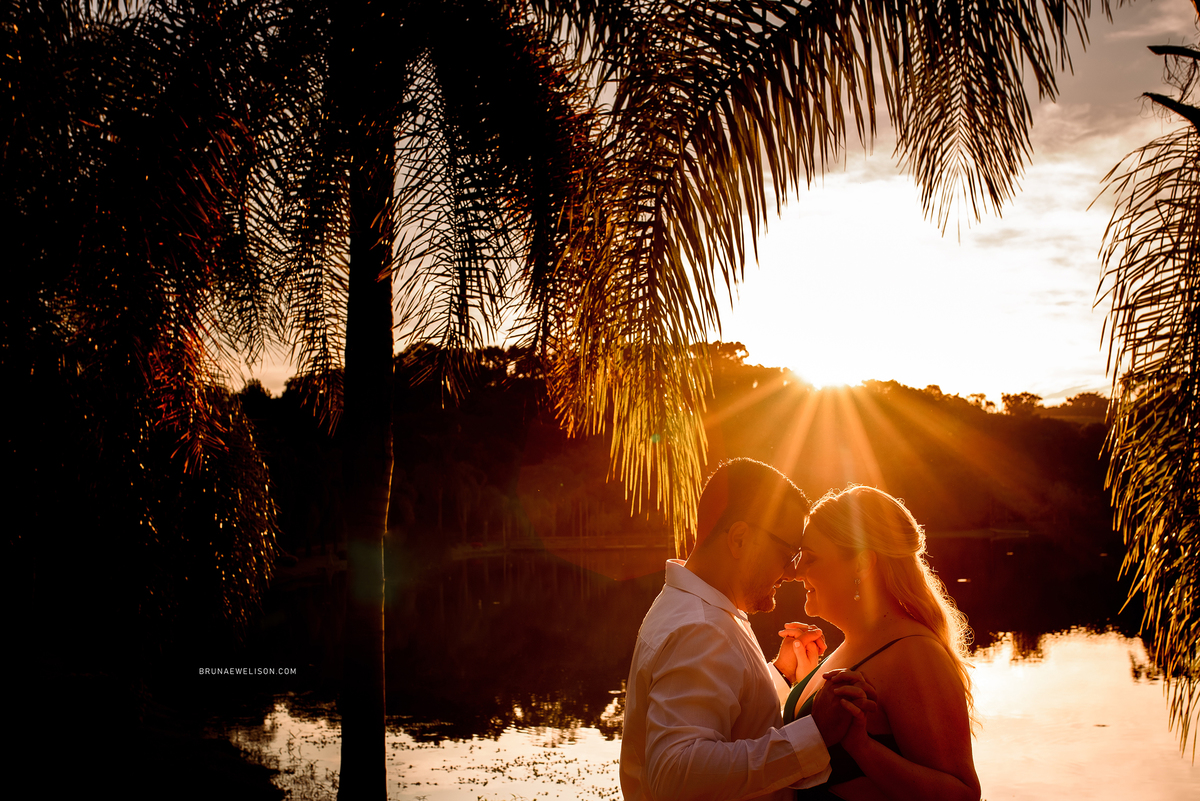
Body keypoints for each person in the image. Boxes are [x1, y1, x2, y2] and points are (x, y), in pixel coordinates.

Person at [620, 459, 877, 801]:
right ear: (740, 539)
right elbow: (677, 775)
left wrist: (779, 674)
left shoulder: (694, 606)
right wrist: (815, 734)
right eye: (787, 552)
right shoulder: (701, 628)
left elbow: (720, 712)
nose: (791, 572)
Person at [780, 485, 980, 801]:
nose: (795, 572)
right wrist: (800, 679)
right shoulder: (854, 645)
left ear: (861, 564)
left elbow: (961, 794)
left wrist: (862, 748)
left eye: (810, 558)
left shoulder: (915, 654)